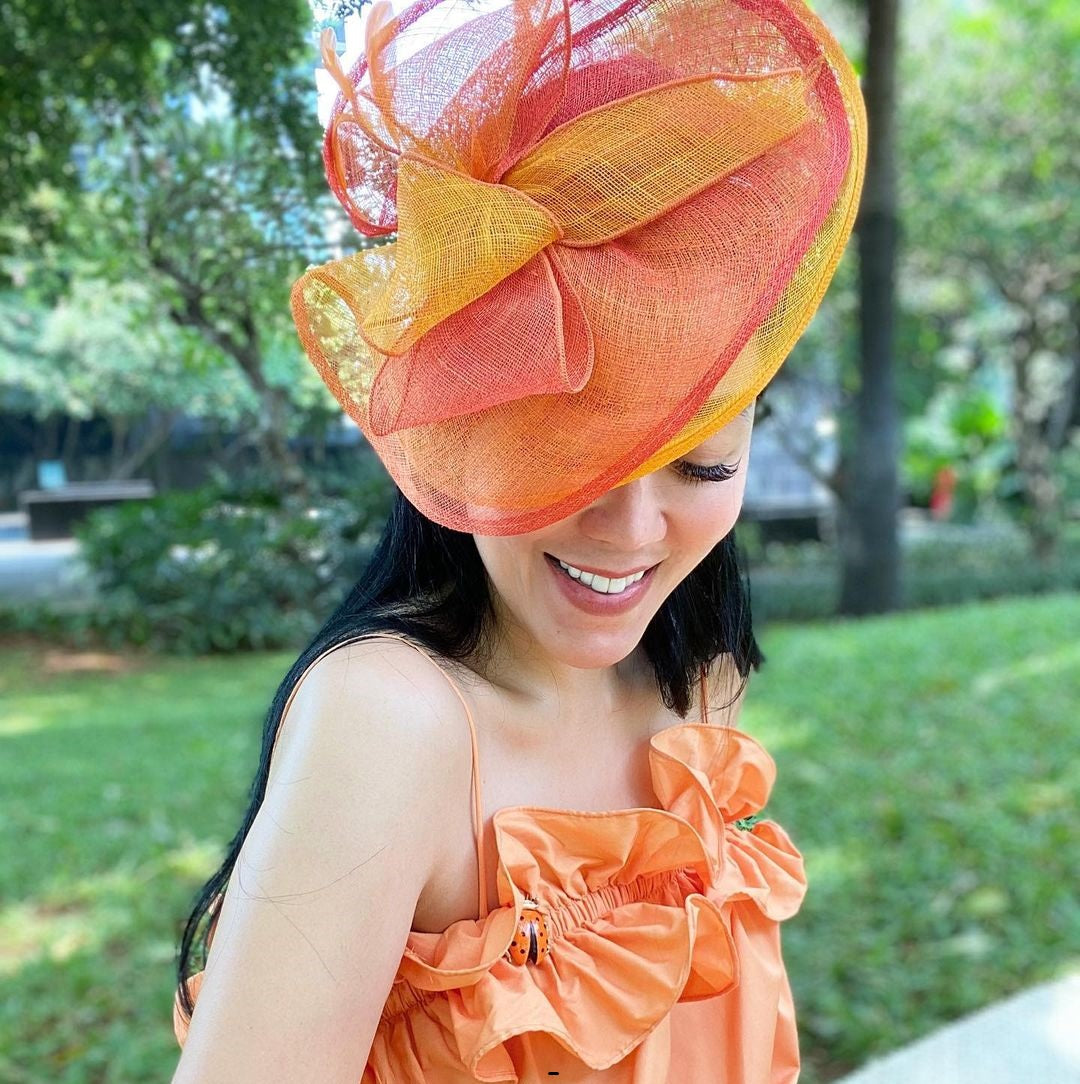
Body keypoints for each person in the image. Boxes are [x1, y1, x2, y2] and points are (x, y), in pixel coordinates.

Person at [171, 0, 866, 1080]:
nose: (633, 531)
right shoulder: (394, 724)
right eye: (569, 452)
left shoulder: (698, 685)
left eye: (703, 466)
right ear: (463, 429)